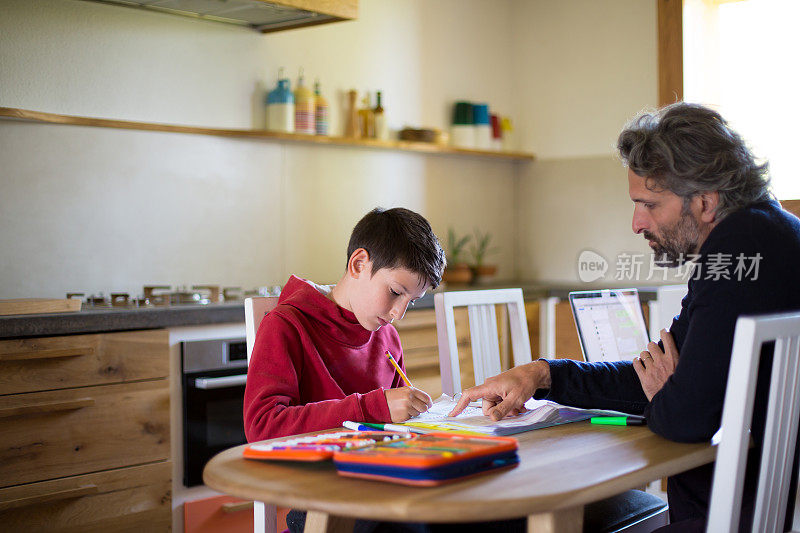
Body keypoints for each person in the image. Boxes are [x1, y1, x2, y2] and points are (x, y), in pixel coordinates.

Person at [450, 102, 800, 531]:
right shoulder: (771, 232)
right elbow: (652, 378)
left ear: (706, 202)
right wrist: (542, 375)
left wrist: (667, 396)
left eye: (648, 204)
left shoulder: (737, 254)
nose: (636, 223)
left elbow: (682, 418)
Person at [244, 206, 443, 443]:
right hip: (308, 476)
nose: (398, 313)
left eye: (411, 302)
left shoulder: (388, 337)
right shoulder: (285, 325)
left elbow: (396, 425)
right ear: (358, 264)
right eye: (395, 292)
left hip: (374, 469)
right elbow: (262, 427)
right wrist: (370, 407)